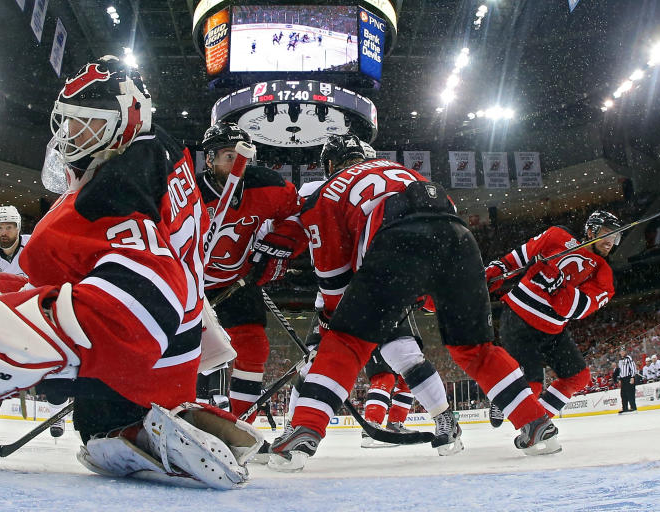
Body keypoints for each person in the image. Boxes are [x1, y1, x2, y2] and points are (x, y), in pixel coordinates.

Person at [0, 56, 261, 489]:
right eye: (68, 125)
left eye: (85, 125)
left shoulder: (111, 194)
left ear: (126, 119)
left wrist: (27, 330)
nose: (71, 138)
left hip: (147, 347)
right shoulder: (164, 149)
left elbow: (142, 302)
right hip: (176, 339)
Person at [268, 134, 558, 472]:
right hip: (461, 241)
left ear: (330, 165)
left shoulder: (327, 192)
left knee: (346, 342)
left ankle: (304, 430)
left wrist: (336, 319)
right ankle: (536, 424)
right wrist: (430, 293)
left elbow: (334, 277)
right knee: (476, 348)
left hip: (397, 245)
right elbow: (441, 228)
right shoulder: (405, 172)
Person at [196, 121, 305, 421]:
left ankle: (242, 423)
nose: (236, 164)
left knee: (254, 346)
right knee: (186, 351)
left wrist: (280, 246)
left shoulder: (267, 186)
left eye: (241, 156)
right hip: (190, 286)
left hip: (237, 281)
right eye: (228, 156)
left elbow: (296, 215)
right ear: (209, 159)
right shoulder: (190, 194)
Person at [483, 210, 618, 426]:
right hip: (518, 317)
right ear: (591, 230)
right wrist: (497, 270)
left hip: (552, 329)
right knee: (532, 383)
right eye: (606, 234)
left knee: (578, 377)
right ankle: (516, 409)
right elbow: (520, 257)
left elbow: (576, 309)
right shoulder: (558, 235)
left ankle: (541, 420)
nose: (610, 241)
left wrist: (555, 283)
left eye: (615, 237)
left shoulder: (604, 274)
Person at [0, 206, 66, 438]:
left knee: (55, 365)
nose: (4, 232)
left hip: (40, 316)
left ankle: (58, 414)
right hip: (5, 320)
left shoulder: (36, 245)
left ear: (18, 227)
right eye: (0, 227)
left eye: (9, 227)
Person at [613, 348, 637, 413]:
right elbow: (620, 371)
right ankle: (625, 408)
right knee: (623, 394)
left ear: (625, 352)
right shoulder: (620, 360)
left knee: (630, 393)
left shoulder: (629, 358)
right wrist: (620, 379)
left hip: (628, 377)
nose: (622, 352)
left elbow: (633, 367)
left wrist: (632, 377)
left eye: (623, 351)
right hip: (623, 379)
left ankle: (633, 407)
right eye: (621, 351)